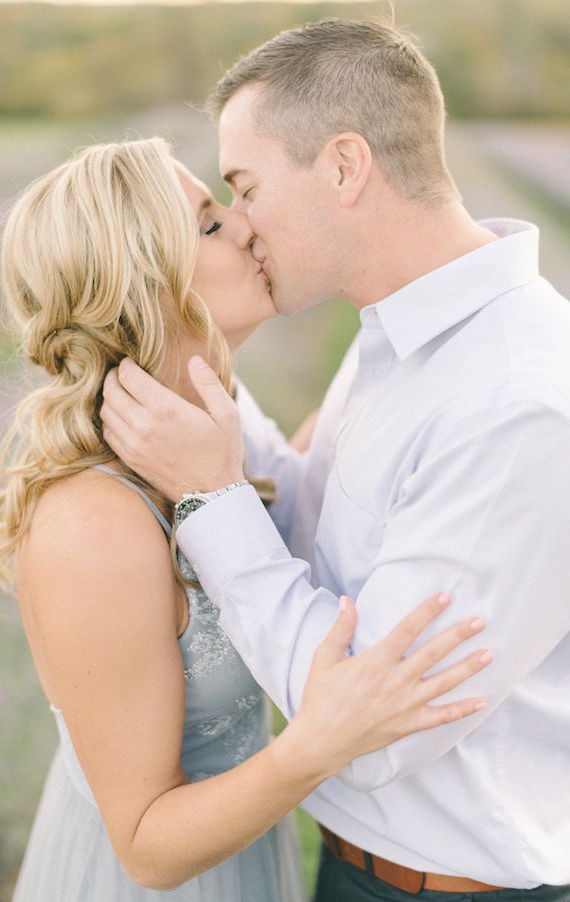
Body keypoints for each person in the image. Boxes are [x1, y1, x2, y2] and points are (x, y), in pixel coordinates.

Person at [99, 18, 570, 902]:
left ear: (345, 167)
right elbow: (317, 526)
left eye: (245, 186)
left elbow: (377, 728)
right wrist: (189, 375)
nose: (239, 224)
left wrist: (210, 493)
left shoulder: (519, 402)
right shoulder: (399, 332)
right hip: (364, 873)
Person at [0, 137, 491, 902]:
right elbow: (147, 846)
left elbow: (349, 459)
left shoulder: (216, 441)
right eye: (211, 223)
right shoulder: (95, 523)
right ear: (142, 288)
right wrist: (317, 744)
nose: (249, 224)